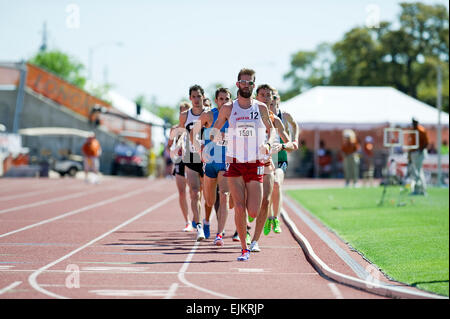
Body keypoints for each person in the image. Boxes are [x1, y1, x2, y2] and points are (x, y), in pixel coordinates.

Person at [211, 68, 276, 261]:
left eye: (250, 82)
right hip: (234, 162)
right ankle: (244, 248)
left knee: (253, 211)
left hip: (255, 162)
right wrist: (222, 139)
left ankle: (244, 208)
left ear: (253, 86)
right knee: (239, 207)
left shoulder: (261, 108)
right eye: (243, 82)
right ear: (237, 84)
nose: (246, 85)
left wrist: (268, 143)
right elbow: (213, 133)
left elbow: (271, 131)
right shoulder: (228, 108)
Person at [249, 84, 296, 252]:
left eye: (269, 95)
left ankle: (265, 227)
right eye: (263, 95)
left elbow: (291, 143)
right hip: (246, 161)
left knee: (269, 194)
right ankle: (248, 226)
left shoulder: (276, 119)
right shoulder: (247, 113)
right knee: (246, 201)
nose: (267, 98)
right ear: (256, 96)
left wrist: (285, 146)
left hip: (270, 161)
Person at [196, 88, 232, 245]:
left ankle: (219, 234)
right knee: (210, 200)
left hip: (225, 161)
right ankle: (206, 220)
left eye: (227, 99)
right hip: (210, 162)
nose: (224, 101)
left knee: (224, 195)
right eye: (221, 99)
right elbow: (193, 132)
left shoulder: (234, 115)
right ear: (216, 100)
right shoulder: (208, 115)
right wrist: (199, 148)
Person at [267, 89, 298, 235]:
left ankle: (276, 217)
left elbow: (295, 124)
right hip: (266, 157)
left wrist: (294, 140)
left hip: (281, 156)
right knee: (267, 190)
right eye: (269, 102)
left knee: (277, 184)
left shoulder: (284, 115)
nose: (272, 105)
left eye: (274, 102)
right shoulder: (262, 116)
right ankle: (268, 217)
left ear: (278, 100)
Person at [178, 85, 207, 241]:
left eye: (199, 96)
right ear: (190, 98)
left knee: (209, 197)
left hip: (208, 157)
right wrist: (180, 146)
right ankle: (199, 227)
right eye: (193, 96)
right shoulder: (184, 116)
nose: (196, 99)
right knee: (194, 193)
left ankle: (207, 221)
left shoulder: (210, 113)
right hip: (190, 157)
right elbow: (182, 133)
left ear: (203, 97)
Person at [168, 101, 194, 232]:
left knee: (195, 191)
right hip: (179, 161)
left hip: (193, 159)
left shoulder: (195, 126)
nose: (184, 114)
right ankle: (187, 221)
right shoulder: (174, 129)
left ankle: (197, 218)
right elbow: (169, 146)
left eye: (186, 111)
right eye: (182, 111)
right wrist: (175, 149)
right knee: (182, 192)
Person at [408, 118, 429, 195]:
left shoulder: (421, 130)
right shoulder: (412, 130)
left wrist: (419, 151)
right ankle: (418, 189)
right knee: (416, 172)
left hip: (419, 153)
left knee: (418, 172)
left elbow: (426, 143)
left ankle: (422, 190)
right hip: (413, 152)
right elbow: (410, 143)